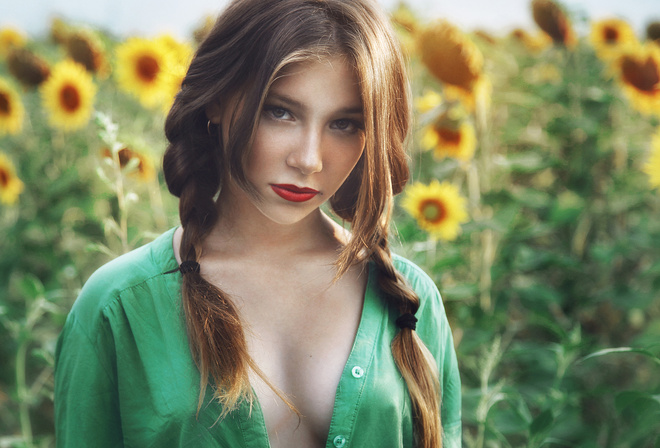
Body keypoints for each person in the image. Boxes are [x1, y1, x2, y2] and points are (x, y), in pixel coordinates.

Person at [54, 0, 461, 447]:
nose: (308, 159)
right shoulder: (119, 307)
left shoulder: (409, 303)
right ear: (216, 101)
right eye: (280, 111)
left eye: (344, 124)